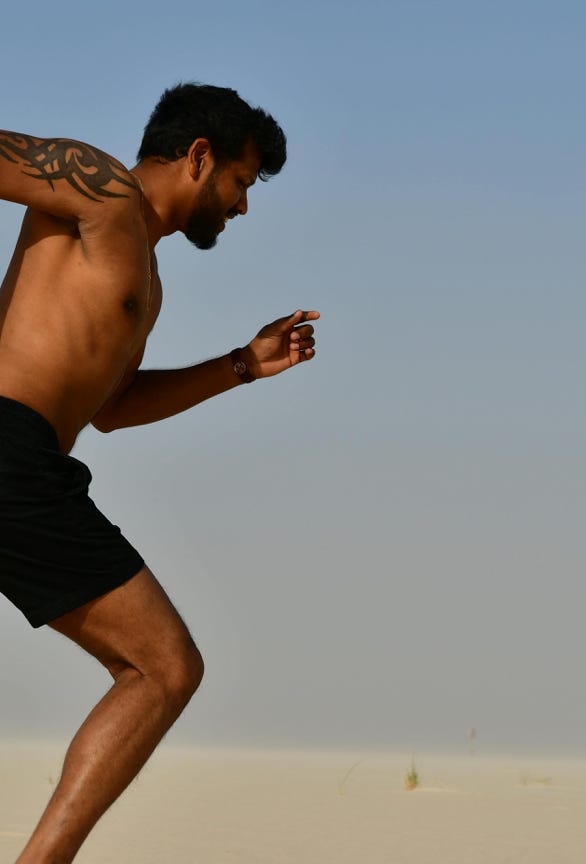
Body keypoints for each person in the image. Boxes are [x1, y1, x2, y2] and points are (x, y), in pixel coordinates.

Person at [0, 82, 318, 863]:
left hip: (29, 463)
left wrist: (242, 365)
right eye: (242, 182)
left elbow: (113, 408)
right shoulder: (98, 188)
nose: (243, 207)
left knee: (160, 668)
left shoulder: (148, 278)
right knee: (163, 666)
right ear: (200, 158)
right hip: (9, 451)